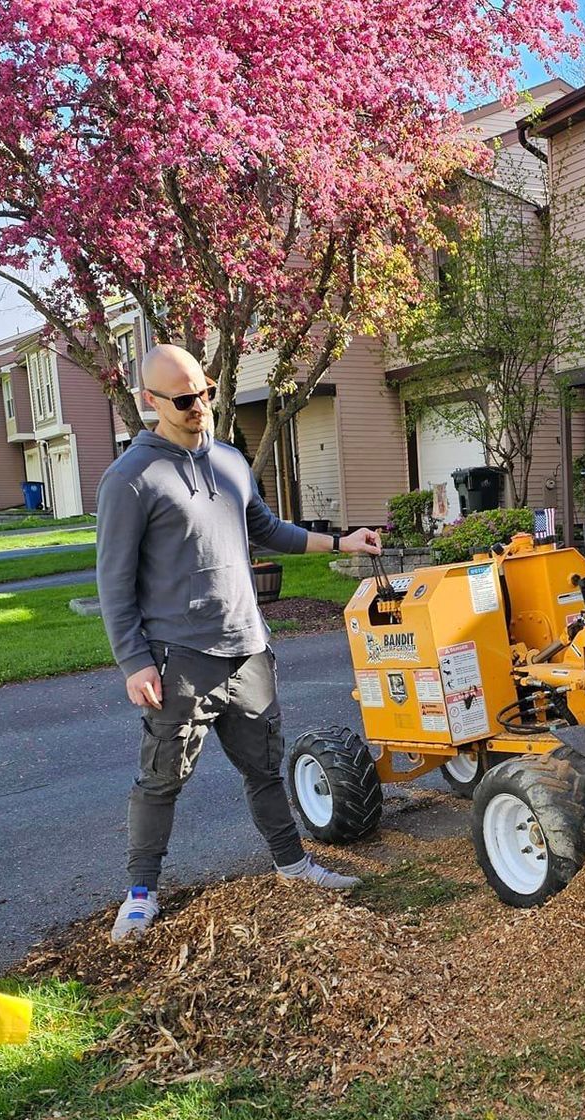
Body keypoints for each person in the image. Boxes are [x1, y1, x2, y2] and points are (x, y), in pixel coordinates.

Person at [95, 343, 383, 941]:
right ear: (150, 401)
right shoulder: (130, 479)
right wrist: (133, 660)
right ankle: (141, 894)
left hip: (248, 646)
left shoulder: (229, 460)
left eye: (204, 391)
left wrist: (342, 543)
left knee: (264, 767)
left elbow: (267, 529)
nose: (198, 404)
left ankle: (293, 865)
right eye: (183, 398)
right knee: (162, 777)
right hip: (180, 659)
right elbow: (113, 580)